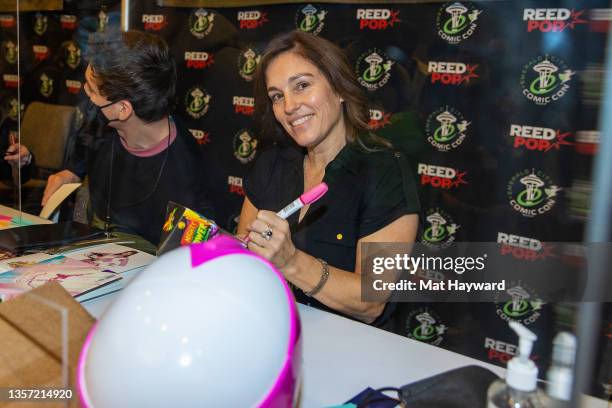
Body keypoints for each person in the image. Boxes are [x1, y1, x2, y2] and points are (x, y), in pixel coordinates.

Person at [237, 31, 420, 326]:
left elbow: (371, 301)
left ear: (339, 88)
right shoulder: (272, 162)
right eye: (277, 96)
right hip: (271, 328)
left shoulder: (386, 171)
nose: (289, 106)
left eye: (302, 85)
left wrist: (291, 262)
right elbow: (246, 255)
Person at [42, 30, 213, 250]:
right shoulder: (103, 123)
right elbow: (86, 146)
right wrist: (71, 171)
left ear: (123, 109)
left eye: (91, 90)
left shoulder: (185, 176)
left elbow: (186, 263)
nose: (85, 94)